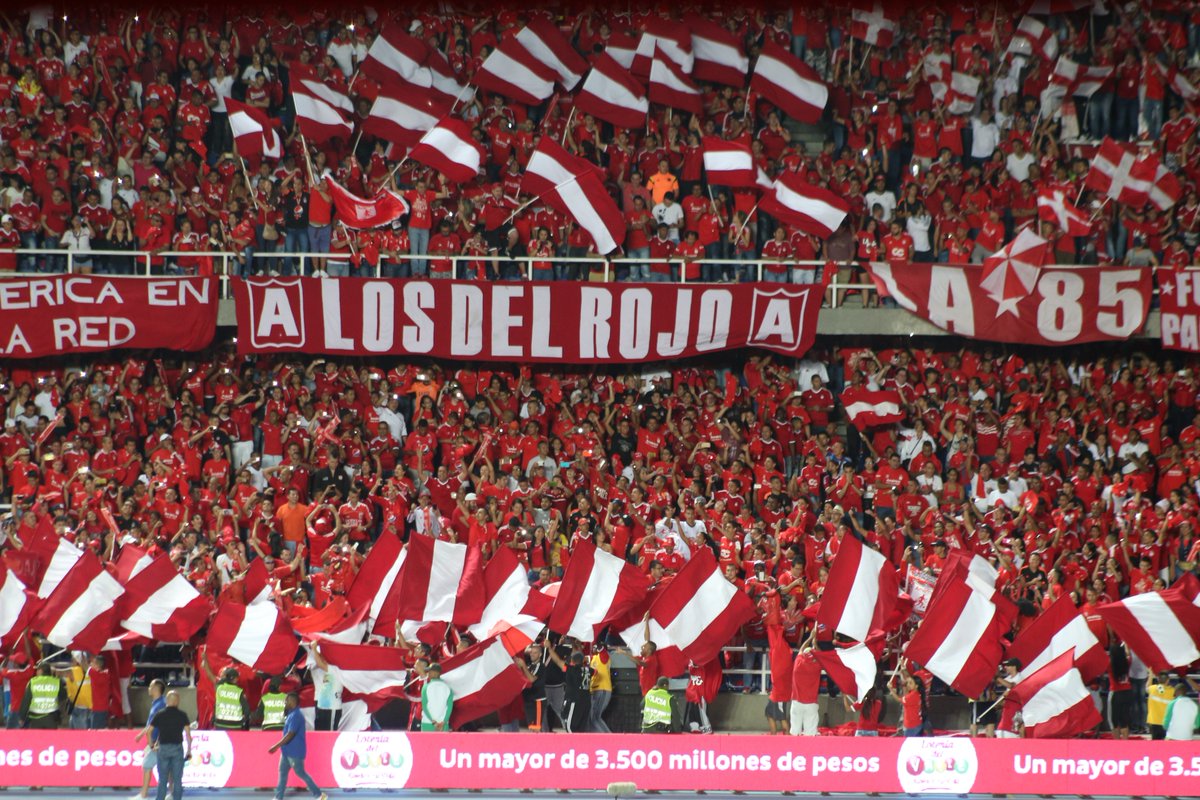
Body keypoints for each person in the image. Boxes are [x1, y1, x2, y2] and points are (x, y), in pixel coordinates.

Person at [268, 692, 327, 800]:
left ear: (293, 702)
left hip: (295, 752)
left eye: (287, 700)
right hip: (286, 752)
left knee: (301, 773)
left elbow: (290, 734)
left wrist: (276, 746)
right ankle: (278, 797)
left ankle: (319, 795)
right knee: (282, 774)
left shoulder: (296, 716)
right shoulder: (291, 714)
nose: (285, 702)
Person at [145, 690, 191, 800]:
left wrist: (151, 745)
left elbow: (148, 731)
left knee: (163, 780)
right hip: (177, 749)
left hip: (163, 749)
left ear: (167, 700)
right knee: (177, 780)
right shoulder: (182, 715)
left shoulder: (160, 714)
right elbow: (188, 735)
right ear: (177, 701)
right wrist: (189, 750)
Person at [132, 680, 168, 800]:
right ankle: (172, 792)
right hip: (154, 741)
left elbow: (162, 724)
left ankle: (143, 795)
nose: (148, 688)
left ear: (156, 688)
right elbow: (151, 724)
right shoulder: (157, 703)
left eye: (150, 686)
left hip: (157, 742)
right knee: (165, 768)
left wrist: (156, 742)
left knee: (147, 765)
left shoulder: (161, 704)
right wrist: (142, 734)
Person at [203, 653, 249, 730]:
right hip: (235, 725)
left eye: (223, 674)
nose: (222, 675)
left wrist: (205, 660)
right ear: (235, 679)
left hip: (220, 723)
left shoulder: (219, 687)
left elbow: (210, 675)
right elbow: (246, 710)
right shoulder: (239, 691)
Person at [21, 662, 65, 729]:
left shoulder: (33, 682)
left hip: (36, 717)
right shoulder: (56, 681)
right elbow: (63, 696)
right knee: (51, 738)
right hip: (51, 717)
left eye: (37, 670)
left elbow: (26, 700)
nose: (36, 672)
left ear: (40, 670)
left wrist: (22, 717)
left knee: (37, 738)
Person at [790, 647, 821, 736]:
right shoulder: (817, 665)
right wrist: (815, 642)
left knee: (795, 732)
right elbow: (821, 655)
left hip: (797, 702)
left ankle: (794, 749)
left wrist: (810, 638)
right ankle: (808, 749)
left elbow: (801, 649)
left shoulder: (798, 662)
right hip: (811, 703)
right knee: (810, 734)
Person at [561, 651, 591, 733]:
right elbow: (596, 672)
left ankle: (572, 744)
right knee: (581, 728)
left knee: (570, 727)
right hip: (586, 701)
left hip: (574, 700)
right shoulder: (589, 669)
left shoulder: (571, 669)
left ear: (572, 661)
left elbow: (560, 664)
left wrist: (550, 649)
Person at [890, 671, 926, 737]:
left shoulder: (911, 696)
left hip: (911, 726)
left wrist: (891, 689)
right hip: (917, 724)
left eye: (910, 683)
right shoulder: (917, 694)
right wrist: (904, 671)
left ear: (916, 686)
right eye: (908, 683)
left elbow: (898, 699)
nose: (908, 685)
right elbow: (908, 680)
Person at [420, 663, 453, 731]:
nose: (428, 673)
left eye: (430, 671)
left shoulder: (426, 687)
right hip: (443, 724)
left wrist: (433, 721)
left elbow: (424, 706)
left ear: (435, 673)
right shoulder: (448, 688)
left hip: (428, 723)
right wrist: (444, 721)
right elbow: (449, 707)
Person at [1146, 670, 1177, 740]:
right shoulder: (1173, 691)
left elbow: (1147, 687)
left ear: (1157, 679)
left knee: (1155, 743)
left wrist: (1150, 674)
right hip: (1166, 722)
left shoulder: (1152, 689)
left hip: (1154, 721)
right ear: (1168, 680)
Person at [588, 647, 613, 733]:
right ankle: (605, 739)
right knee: (593, 718)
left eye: (595, 647)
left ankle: (610, 739)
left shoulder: (604, 656)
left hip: (602, 689)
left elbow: (602, 651)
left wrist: (598, 644)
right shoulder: (594, 657)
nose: (593, 648)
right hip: (596, 689)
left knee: (595, 718)